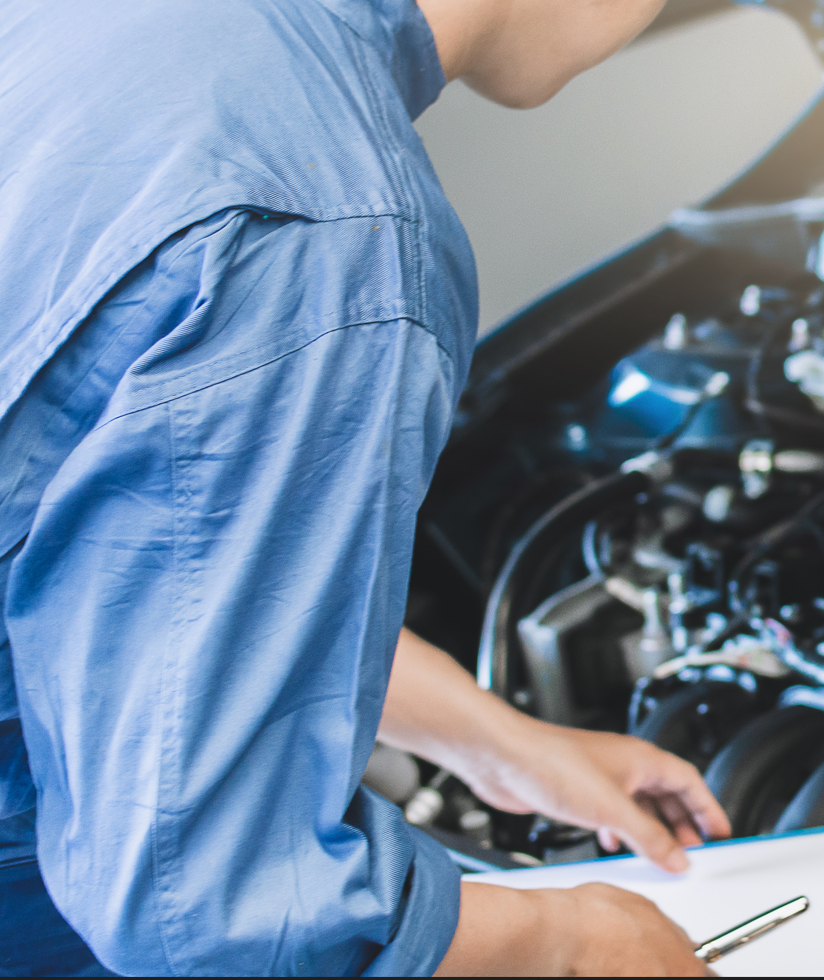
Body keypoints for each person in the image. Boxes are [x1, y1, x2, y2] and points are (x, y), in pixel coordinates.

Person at [0, 0, 730, 974]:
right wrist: (564, 941)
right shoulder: (325, 242)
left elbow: (138, 548)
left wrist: (493, 739)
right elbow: (206, 914)